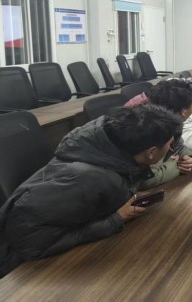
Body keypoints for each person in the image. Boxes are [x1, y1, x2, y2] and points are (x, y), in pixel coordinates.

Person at [0, 105, 182, 277]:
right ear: (151, 153)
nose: (171, 147)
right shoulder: (90, 179)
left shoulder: (112, 150)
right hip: (21, 268)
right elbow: (28, 240)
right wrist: (115, 219)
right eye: (169, 144)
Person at [124, 78, 192, 188]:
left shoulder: (170, 116)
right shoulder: (141, 125)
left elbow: (177, 145)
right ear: (183, 111)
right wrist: (176, 166)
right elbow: (143, 179)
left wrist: (188, 157)